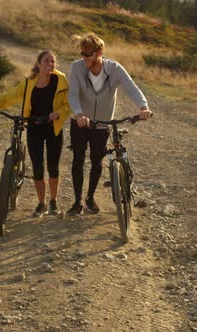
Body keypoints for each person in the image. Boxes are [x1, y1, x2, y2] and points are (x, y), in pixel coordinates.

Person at [66, 32, 152, 215]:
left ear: (99, 52)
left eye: (87, 54)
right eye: (82, 53)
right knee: (78, 159)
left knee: (97, 160)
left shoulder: (114, 69)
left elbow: (131, 87)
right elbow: (72, 94)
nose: (84, 58)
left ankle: (89, 197)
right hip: (80, 121)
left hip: (102, 123)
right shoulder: (76, 68)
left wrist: (143, 107)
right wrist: (79, 114)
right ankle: (77, 201)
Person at [0, 50, 70, 217]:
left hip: (53, 127)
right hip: (34, 127)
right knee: (37, 166)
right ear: (38, 63)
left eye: (53, 61)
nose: (50, 64)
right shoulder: (29, 83)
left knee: (53, 166)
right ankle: (41, 203)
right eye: (46, 60)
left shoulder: (60, 81)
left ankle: (53, 201)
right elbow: (8, 97)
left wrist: (59, 114)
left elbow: (67, 105)